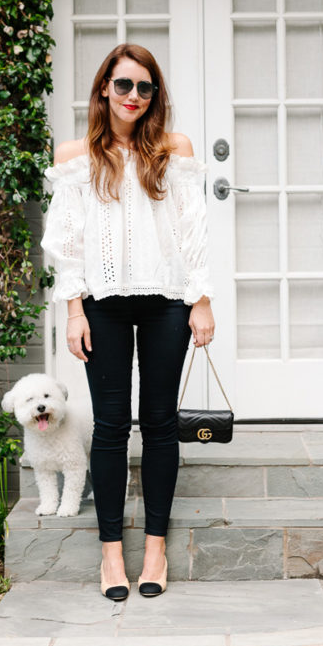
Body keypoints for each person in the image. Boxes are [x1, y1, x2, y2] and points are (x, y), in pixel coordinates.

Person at [41, 43, 214, 600]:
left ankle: (156, 547)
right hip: (102, 306)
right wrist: (73, 311)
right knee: (113, 426)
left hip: (165, 301)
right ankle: (111, 553)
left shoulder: (173, 149)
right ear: (103, 90)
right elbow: (65, 242)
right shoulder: (75, 157)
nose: (134, 96)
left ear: (154, 96)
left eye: (145, 88)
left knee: (160, 422)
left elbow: (193, 231)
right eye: (124, 85)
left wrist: (201, 298)